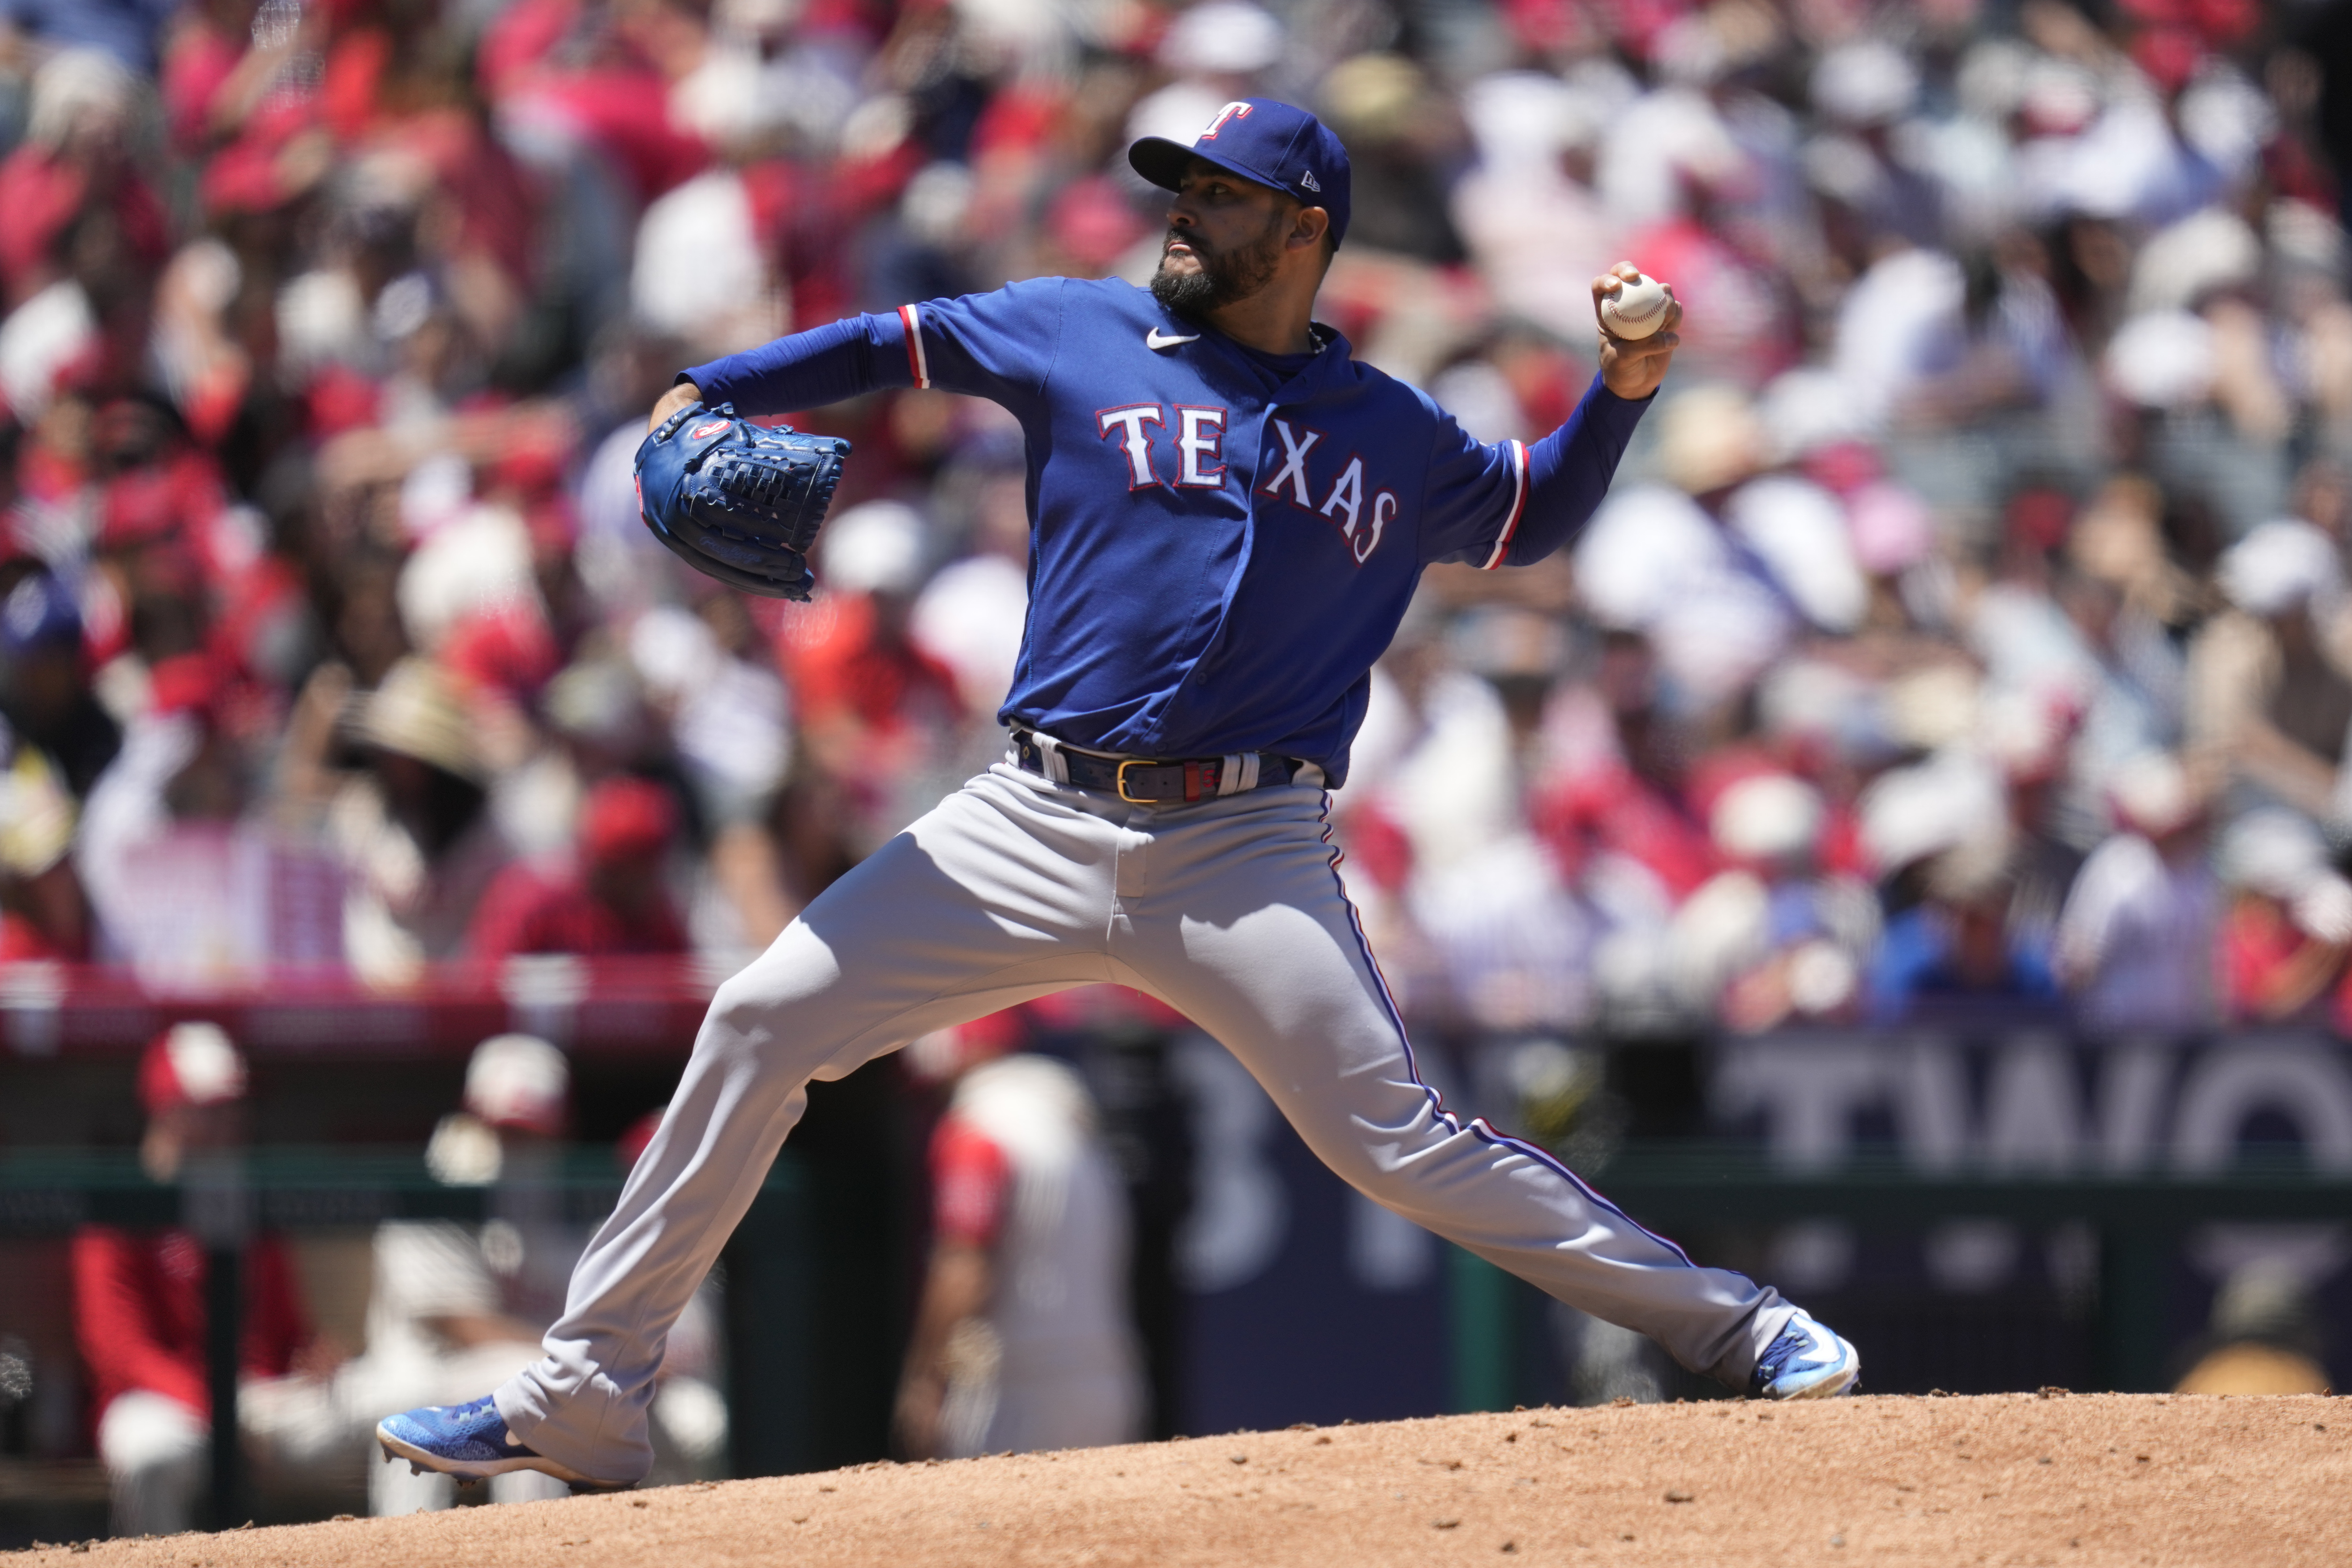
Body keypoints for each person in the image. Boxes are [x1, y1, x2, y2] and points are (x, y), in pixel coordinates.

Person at [378, 98, 1858, 1494]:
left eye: (1220, 196)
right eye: (1183, 187)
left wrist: (1621, 392)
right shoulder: (1077, 326)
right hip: (1024, 818)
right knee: (762, 1018)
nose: (1184, 214)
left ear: (1300, 233)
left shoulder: (1385, 427)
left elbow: (1535, 514)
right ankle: (583, 1391)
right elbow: (892, 344)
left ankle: (1728, 1327)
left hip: (1240, 845)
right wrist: (713, 389)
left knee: (1400, 1142)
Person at [72, 1023, 347, 1536]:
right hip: (164, 1403)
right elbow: (121, 1352)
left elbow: (286, 1329)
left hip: (261, 1401)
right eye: (212, 1108)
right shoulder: (120, 1204)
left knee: (384, 1423)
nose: (231, 1121)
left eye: (234, 1106)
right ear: (167, 1109)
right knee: (145, 1455)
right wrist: (218, 1410)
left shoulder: (248, 1197)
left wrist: (313, 1352)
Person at [894, 1011, 1144, 1459]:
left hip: (1017, 1387)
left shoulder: (979, 1129)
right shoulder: (1069, 1119)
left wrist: (924, 1377)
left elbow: (964, 1266)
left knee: (987, 1528)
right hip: (1106, 1377)